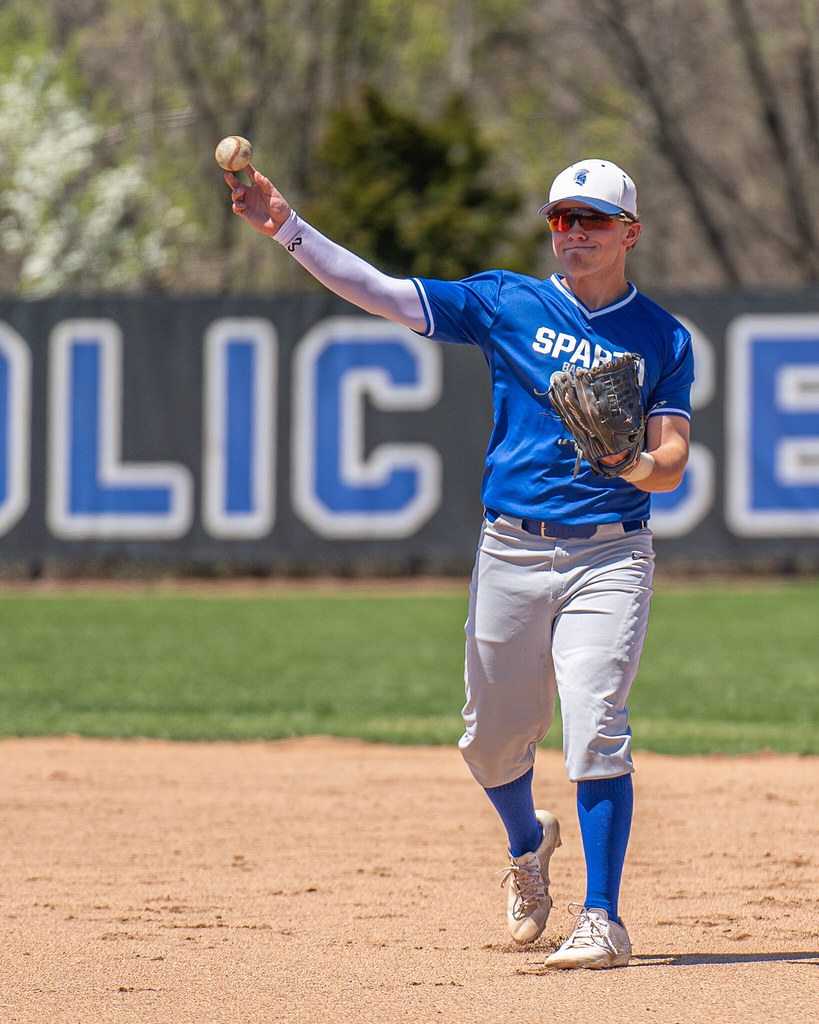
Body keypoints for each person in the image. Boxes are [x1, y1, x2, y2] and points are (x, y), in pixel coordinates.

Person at [224, 156, 693, 970]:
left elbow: (673, 460)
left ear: (630, 233)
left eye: (589, 220)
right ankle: (527, 842)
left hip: (609, 554)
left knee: (595, 725)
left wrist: (629, 466)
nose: (572, 233)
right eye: (560, 219)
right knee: (488, 745)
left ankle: (602, 918)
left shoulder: (661, 336)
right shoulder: (508, 301)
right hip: (509, 546)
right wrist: (288, 229)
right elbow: (383, 291)